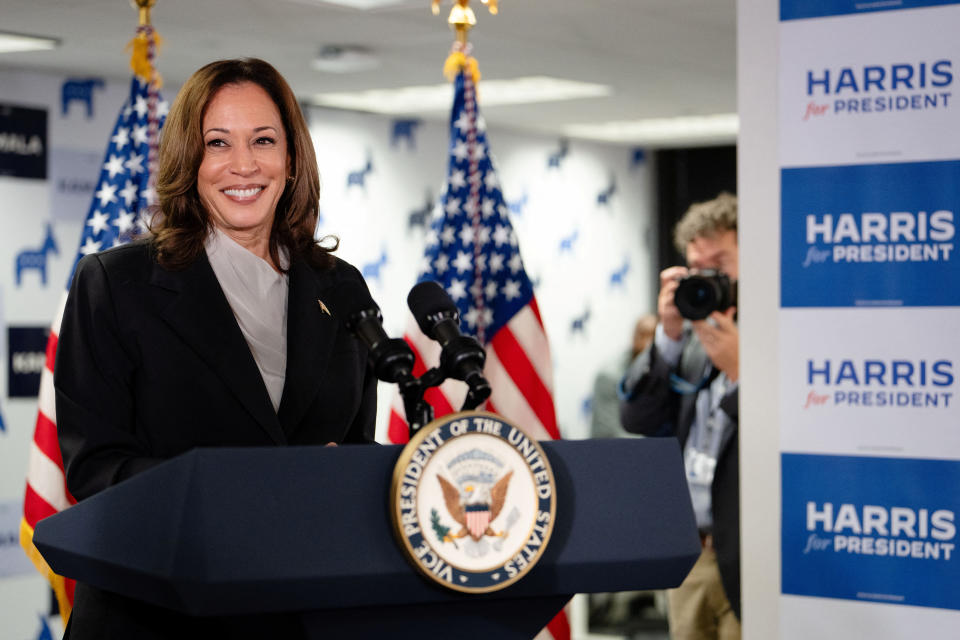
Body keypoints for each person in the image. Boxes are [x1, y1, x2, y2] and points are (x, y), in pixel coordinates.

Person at [55, 58, 377, 639]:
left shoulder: (340, 285)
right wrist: (253, 489)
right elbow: (96, 468)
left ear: (292, 157)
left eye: (263, 141)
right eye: (217, 143)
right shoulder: (115, 284)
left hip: (300, 614)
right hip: (156, 617)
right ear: (189, 160)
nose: (244, 165)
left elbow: (353, 447)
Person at [619, 193, 740, 640]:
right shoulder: (687, 342)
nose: (707, 276)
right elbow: (637, 419)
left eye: (721, 262)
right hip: (691, 550)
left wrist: (741, 372)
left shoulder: (778, 331)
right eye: (697, 266)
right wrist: (668, 335)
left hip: (753, 551)